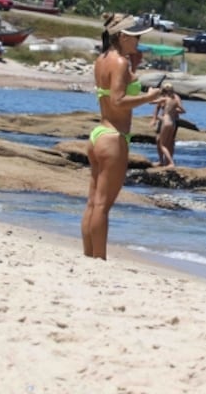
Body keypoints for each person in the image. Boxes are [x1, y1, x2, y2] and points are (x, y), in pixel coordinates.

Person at [80, 13, 161, 260]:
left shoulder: (101, 59)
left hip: (98, 134)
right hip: (114, 138)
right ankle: (100, 259)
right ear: (122, 36)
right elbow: (118, 100)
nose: (138, 41)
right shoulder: (120, 62)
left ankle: (89, 256)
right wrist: (149, 97)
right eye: (135, 37)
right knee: (103, 205)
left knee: (93, 202)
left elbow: (111, 95)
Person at [151, 82, 186, 167]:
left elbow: (180, 109)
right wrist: (154, 118)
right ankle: (161, 161)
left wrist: (171, 110)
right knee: (158, 140)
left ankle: (169, 162)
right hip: (166, 120)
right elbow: (157, 107)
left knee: (169, 142)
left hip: (172, 120)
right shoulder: (164, 97)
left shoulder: (175, 97)